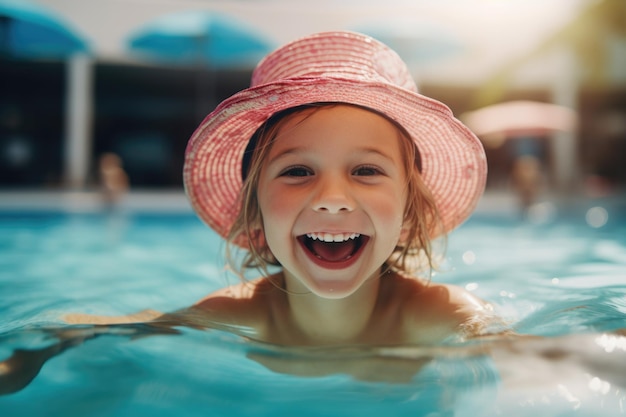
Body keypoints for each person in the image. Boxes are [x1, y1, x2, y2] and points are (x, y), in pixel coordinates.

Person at [65, 31, 494, 347]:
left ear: (407, 216)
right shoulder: (230, 316)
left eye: (365, 170)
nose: (331, 198)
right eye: (297, 172)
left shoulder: (446, 318)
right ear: (255, 215)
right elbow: (87, 334)